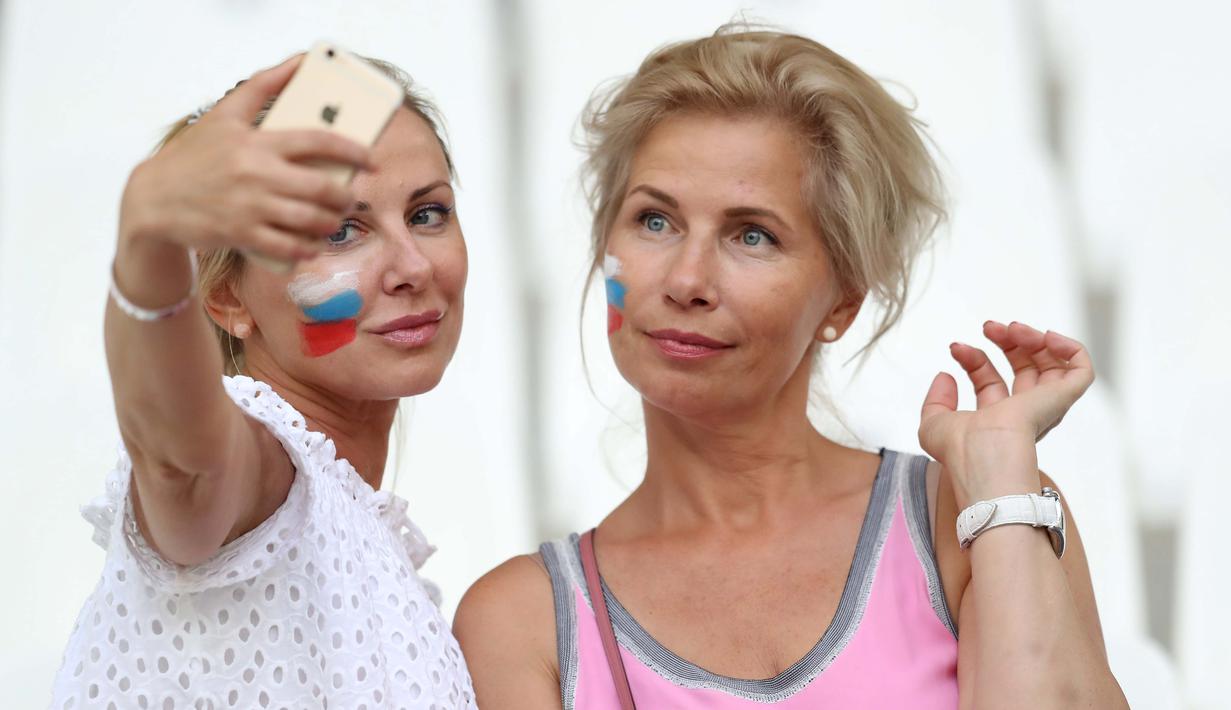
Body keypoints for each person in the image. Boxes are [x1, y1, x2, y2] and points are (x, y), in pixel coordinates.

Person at [454, 26, 1128, 708]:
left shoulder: (983, 515)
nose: (687, 279)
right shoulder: (521, 621)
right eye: (654, 221)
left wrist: (1000, 485)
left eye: (753, 235)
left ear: (842, 300)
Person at [51, 54, 475, 708]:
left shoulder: (367, 537)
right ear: (224, 299)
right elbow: (181, 464)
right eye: (340, 231)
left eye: (426, 214)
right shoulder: (261, 470)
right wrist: (148, 242)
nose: (413, 265)